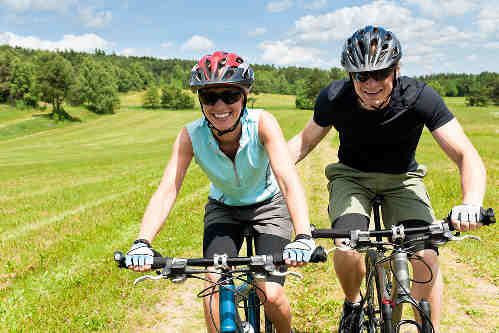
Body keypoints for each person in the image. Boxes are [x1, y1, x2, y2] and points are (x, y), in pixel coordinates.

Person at [287, 26, 486, 333]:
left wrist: (471, 201)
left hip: (402, 179)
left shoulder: (419, 97)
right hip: (351, 177)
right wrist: (265, 178)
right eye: (361, 76)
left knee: (424, 252)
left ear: (396, 69)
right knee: (347, 245)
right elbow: (304, 143)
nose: (371, 83)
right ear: (350, 75)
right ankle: (353, 304)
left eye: (380, 73)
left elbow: (465, 154)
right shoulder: (334, 97)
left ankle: (426, 327)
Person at [125, 50, 315, 333]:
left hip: (269, 206)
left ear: (244, 96)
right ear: (200, 101)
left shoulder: (263, 123)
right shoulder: (191, 135)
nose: (219, 105)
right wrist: (143, 241)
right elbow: (168, 189)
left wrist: (302, 237)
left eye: (229, 96)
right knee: (213, 288)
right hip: (224, 209)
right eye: (209, 97)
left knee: (271, 295)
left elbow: (287, 179)